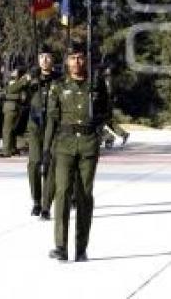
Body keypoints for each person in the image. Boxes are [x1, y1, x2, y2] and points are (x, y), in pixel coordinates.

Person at [43, 41, 111, 262]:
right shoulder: (59, 86)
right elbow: (52, 119)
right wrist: (47, 148)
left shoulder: (96, 84)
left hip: (88, 145)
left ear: (86, 60)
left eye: (81, 57)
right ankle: (60, 246)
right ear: (66, 61)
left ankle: (81, 248)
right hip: (64, 145)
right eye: (72, 58)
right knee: (62, 193)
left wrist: (97, 123)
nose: (77, 62)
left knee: (84, 196)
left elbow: (106, 112)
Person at [25, 45, 60, 219]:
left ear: (53, 59)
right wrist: (29, 78)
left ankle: (46, 206)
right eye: (41, 57)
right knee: (33, 164)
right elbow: (12, 91)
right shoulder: (32, 78)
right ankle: (37, 201)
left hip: (52, 127)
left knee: (49, 165)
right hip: (35, 126)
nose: (44, 60)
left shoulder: (59, 80)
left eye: (47, 57)